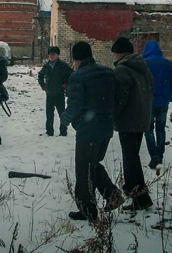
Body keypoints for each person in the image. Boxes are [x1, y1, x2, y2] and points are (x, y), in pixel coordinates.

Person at [60, 41, 124, 222]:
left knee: (83, 171)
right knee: (93, 165)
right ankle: (113, 196)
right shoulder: (108, 72)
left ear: (76, 58)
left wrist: (64, 120)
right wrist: (108, 116)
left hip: (88, 131)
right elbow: (118, 98)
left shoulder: (78, 76)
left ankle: (87, 210)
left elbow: (74, 106)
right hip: (105, 129)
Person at [111, 36, 154, 211]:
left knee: (130, 159)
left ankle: (140, 197)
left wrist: (111, 115)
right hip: (142, 118)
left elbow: (120, 98)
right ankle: (136, 194)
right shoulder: (143, 68)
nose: (114, 56)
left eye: (114, 53)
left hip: (128, 121)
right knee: (132, 157)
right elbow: (150, 89)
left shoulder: (122, 70)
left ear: (119, 53)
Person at [142, 40, 172, 169]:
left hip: (148, 103)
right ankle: (160, 154)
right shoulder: (168, 64)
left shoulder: (144, 64)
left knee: (148, 130)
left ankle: (154, 155)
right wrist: (170, 97)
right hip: (163, 102)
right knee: (161, 129)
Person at [38, 45, 74, 136]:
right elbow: (40, 75)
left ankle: (63, 131)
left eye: (53, 54)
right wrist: (42, 85)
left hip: (59, 93)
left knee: (61, 113)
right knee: (49, 114)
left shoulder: (63, 66)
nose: (51, 56)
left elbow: (71, 75)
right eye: (50, 54)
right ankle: (49, 132)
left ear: (57, 55)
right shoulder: (46, 66)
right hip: (49, 93)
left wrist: (66, 84)